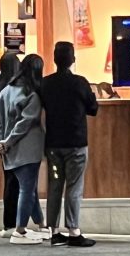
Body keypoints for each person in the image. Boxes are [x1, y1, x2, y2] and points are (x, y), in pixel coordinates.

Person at [40, 42, 99, 248]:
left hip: (53, 146)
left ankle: (54, 233)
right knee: (74, 187)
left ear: (54, 59)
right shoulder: (80, 83)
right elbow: (93, 109)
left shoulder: (45, 84)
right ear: (73, 60)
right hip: (76, 145)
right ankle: (74, 231)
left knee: (55, 186)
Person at [0, 53, 47, 245]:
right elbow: (25, 123)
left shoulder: (6, 90)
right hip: (27, 149)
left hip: (9, 151)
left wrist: (0, 141)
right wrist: (8, 141)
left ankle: (41, 225)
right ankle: (20, 231)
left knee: (28, 189)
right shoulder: (32, 95)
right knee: (27, 190)